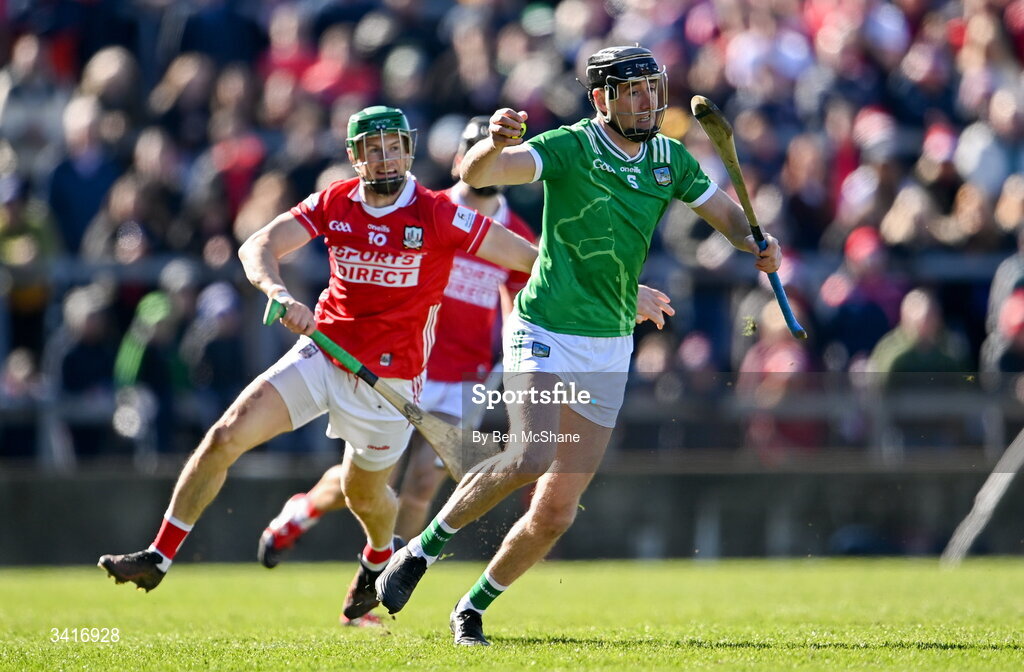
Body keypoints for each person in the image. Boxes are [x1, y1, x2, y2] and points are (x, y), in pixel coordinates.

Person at [374, 45, 783, 646]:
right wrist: (492, 141)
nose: (647, 101)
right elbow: (478, 175)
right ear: (602, 98)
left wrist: (758, 241)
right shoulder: (570, 147)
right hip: (541, 328)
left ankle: (472, 606)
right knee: (531, 454)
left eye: (652, 88)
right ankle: (421, 550)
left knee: (556, 511)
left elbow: (725, 216)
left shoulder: (669, 159)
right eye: (633, 90)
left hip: (609, 344)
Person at [96, 106, 540, 622]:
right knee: (225, 436)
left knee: (364, 494)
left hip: (390, 382)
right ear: (354, 158)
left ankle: (377, 556)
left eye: (394, 146)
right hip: (323, 354)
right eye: (372, 149)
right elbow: (259, 244)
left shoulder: (439, 213)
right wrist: (277, 291)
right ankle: (159, 555)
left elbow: (531, 260)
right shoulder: (335, 202)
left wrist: (612, 292)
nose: (385, 157)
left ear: (409, 151)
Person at [254, 116, 538, 625]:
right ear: (460, 162)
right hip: (403, 365)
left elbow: (518, 300)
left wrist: (517, 361)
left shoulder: (512, 233)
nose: (488, 165)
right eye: (477, 153)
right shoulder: (431, 210)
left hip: (465, 376)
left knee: (423, 481)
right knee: (366, 481)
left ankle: (376, 589)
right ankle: (303, 510)